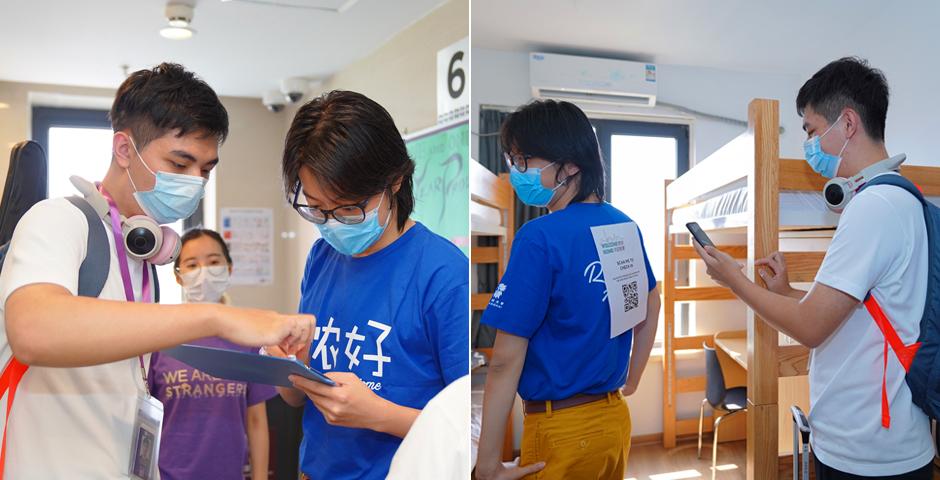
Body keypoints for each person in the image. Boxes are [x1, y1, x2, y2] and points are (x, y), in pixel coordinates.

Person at [0, 63, 314, 478]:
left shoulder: (142, 255)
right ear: (125, 149)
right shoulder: (59, 220)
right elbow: (33, 331)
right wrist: (216, 316)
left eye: (206, 169)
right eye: (180, 163)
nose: (195, 182)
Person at [693, 57, 933, 479]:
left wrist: (734, 280)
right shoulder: (899, 199)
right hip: (880, 440)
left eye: (810, 130)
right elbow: (860, 315)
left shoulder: (873, 207)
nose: (808, 144)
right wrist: (785, 293)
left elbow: (810, 328)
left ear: (848, 123)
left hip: (867, 452)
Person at [269, 90, 469, 480]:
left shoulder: (444, 274)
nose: (331, 223)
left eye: (347, 208)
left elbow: (466, 430)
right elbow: (293, 398)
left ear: (395, 180)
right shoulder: (322, 257)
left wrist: (380, 415)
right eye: (315, 207)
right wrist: (286, 365)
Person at [475, 99, 661, 480]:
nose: (515, 172)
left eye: (525, 160)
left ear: (571, 165)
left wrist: (488, 465)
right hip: (613, 421)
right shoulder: (624, 226)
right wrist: (633, 378)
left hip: (561, 430)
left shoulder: (539, 237)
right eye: (513, 160)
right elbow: (651, 304)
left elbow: (505, 361)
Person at [147, 228, 277, 480]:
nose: (204, 272)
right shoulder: (161, 337)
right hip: (166, 474)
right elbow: (145, 418)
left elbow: (257, 421)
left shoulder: (248, 336)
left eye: (214, 262)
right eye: (192, 264)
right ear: (178, 277)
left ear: (229, 268)